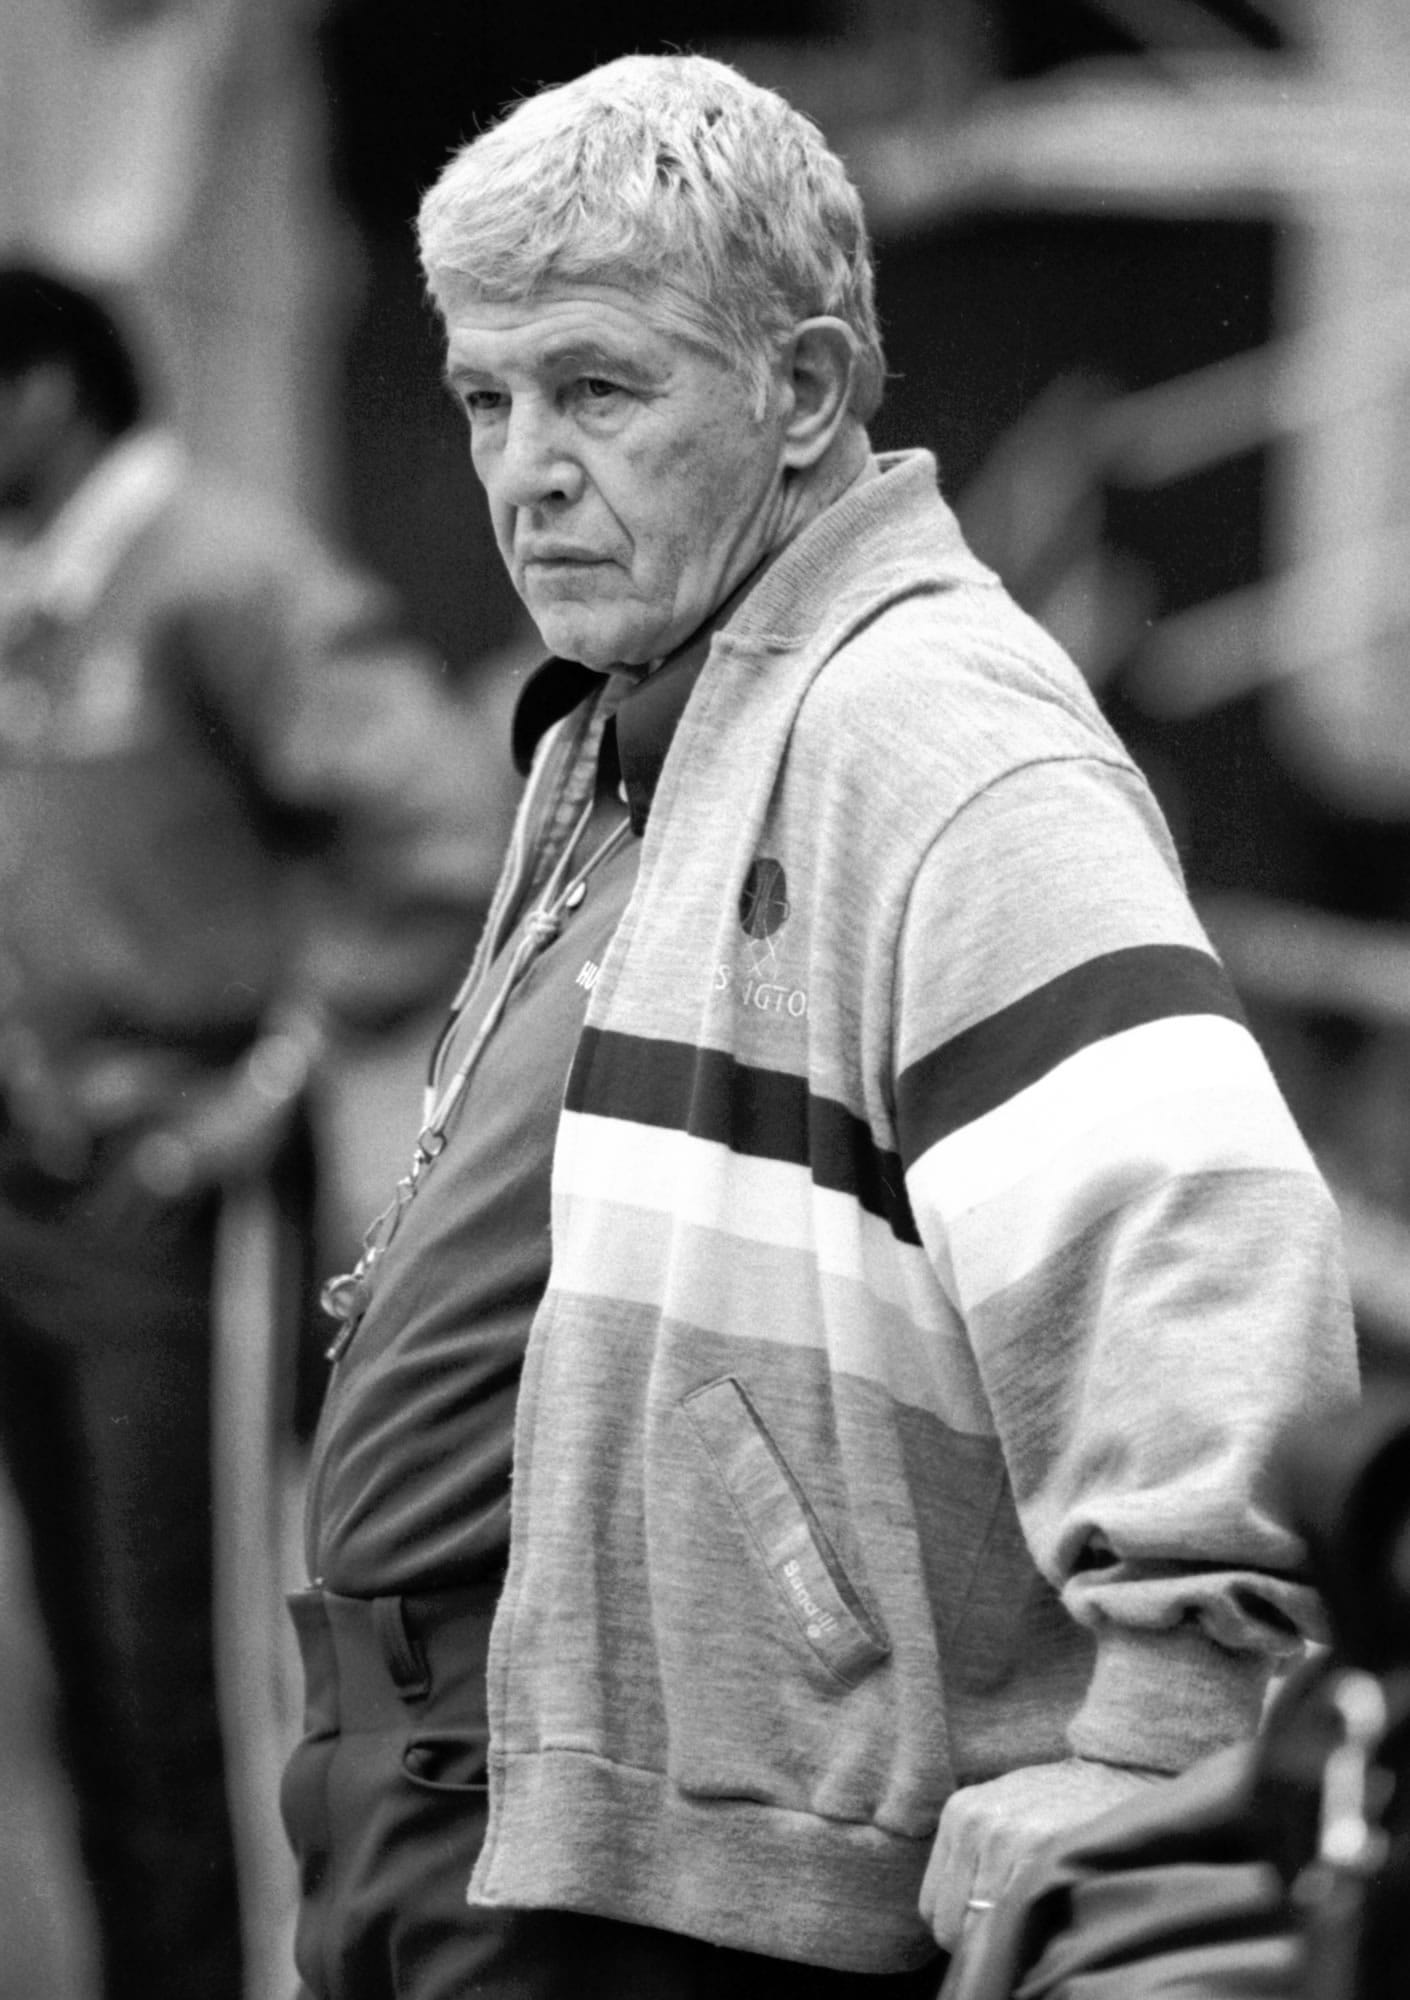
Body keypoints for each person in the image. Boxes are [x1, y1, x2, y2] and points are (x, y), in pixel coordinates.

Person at [283, 52, 1359, 2000]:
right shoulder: (639, 709)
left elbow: (1201, 1224)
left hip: (680, 1877)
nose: (526, 462)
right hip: (484, 1788)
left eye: (599, 387)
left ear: (800, 391)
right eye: (481, 397)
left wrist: (1165, 1741)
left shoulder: (933, 735)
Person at [0, 262, 499, 2000]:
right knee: (87, 1693)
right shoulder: (38, 601)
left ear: (46, 395)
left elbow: (444, 830)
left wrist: (274, 1073)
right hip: (40, 1194)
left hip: (175, 1210)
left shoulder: (217, 571)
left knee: (187, 1685)